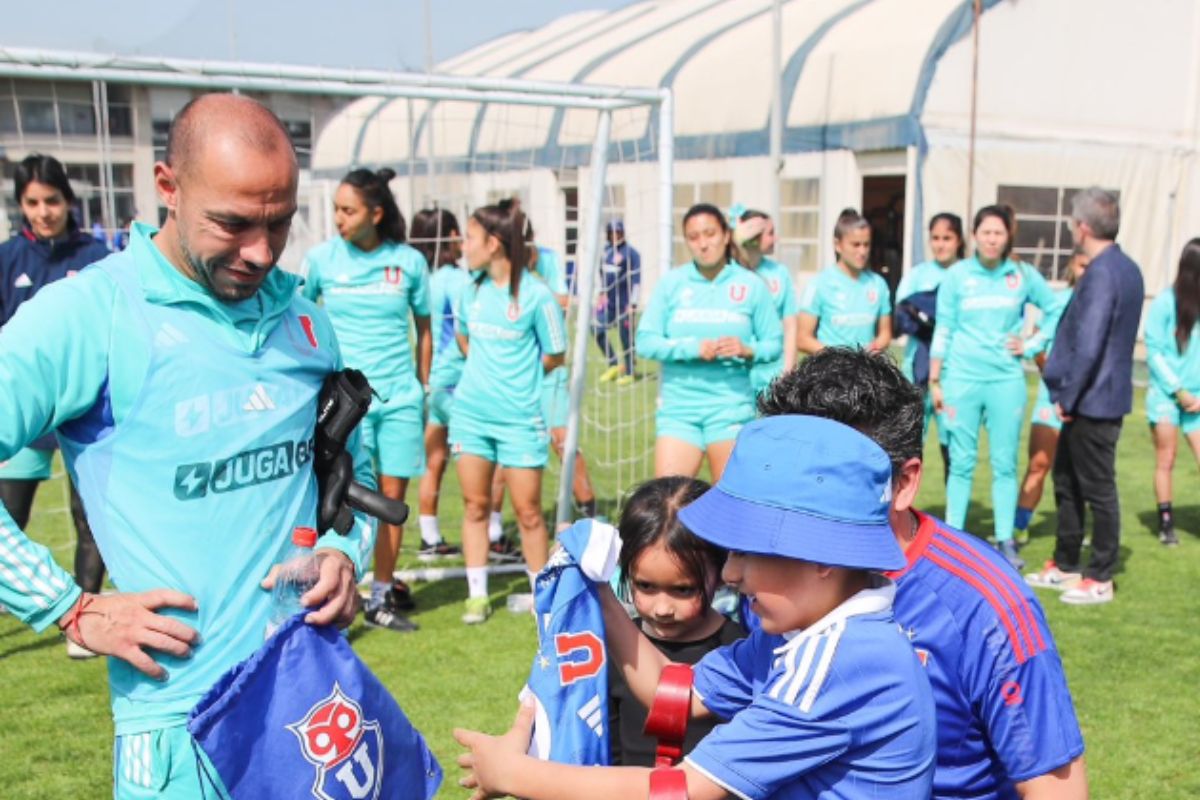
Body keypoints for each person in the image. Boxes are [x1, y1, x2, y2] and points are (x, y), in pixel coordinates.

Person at [0, 93, 372, 798]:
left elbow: (354, 464)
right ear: (167, 187)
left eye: (279, 224)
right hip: (179, 725)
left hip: (313, 704)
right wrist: (69, 608)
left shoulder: (308, 324)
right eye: (232, 223)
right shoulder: (92, 314)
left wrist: (344, 551)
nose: (260, 252)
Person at [456, 415, 936, 799]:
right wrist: (601, 595)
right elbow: (678, 694)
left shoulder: (836, 662)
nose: (729, 574)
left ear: (822, 556)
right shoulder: (799, 636)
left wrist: (515, 774)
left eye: (748, 552)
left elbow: (682, 790)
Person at [758, 347, 1088, 800]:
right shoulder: (765, 571)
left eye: (831, 480)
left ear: (904, 482)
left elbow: (1057, 790)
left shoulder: (986, 603)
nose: (804, 503)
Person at [302, 167, 431, 634]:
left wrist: (422, 386)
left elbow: (424, 329)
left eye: (348, 210)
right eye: (336, 209)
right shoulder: (320, 260)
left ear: (375, 214)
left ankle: (380, 596)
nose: (338, 218)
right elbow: (303, 319)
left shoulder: (409, 263)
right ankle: (336, 591)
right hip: (346, 405)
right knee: (339, 498)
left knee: (390, 500)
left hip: (398, 398)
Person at [0, 153, 111, 659]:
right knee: (11, 517)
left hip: (86, 412)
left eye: (52, 200)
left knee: (90, 518)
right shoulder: (8, 259)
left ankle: (83, 622)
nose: (44, 211)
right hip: (24, 416)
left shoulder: (97, 256)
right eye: (33, 203)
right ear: (21, 205)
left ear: (69, 200)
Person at [451, 201, 567, 624]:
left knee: (529, 512)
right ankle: (477, 596)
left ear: (494, 244)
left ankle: (542, 596)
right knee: (475, 505)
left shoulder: (537, 296)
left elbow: (556, 354)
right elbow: (465, 340)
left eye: (469, 237)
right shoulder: (471, 290)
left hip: (521, 419)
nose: (463, 245)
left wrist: (519, 383)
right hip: (471, 417)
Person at [1029, 188, 1144, 605]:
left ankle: (1098, 576)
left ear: (1081, 227)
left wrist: (1068, 396)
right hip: (1095, 397)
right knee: (1067, 481)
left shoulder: (1102, 272)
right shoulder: (1127, 267)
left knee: (1097, 488)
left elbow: (1090, 342)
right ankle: (1065, 563)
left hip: (1093, 401)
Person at [929, 205, 1057, 570]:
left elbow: (1056, 307)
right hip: (961, 380)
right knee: (961, 463)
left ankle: (1005, 541)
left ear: (1007, 238)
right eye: (985, 232)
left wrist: (1031, 345)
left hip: (1005, 380)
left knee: (1004, 463)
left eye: (998, 233)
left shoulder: (1021, 275)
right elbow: (944, 328)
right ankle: (952, 541)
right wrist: (935, 381)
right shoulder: (957, 276)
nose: (991, 239)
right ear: (975, 235)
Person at [635, 203, 782, 480]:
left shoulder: (750, 285)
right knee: (669, 505)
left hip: (731, 409)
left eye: (710, 234)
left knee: (729, 508)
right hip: (679, 411)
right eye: (694, 237)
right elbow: (645, 342)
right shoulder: (672, 284)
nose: (703, 244)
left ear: (726, 236)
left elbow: (774, 344)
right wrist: (690, 349)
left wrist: (747, 349)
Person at [607, 476, 744, 767]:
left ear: (721, 571)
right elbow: (608, 745)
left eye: (683, 590)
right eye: (645, 586)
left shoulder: (740, 652)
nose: (662, 609)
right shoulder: (618, 645)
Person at [1014, 250, 1089, 545]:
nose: (1087, 271)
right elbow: (1038, 346)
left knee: (1080, 470)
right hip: (1051, 399)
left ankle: (1075, 528)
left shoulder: (1100, 304)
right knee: (1039, 464)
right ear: (1072, 264)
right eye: (1082, 265)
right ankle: (1018, 527)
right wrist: (1058, 383)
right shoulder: (1056, 302)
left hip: (1084, 404)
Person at [411, 207, 468, 561]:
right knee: (482, 463)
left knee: (434, 462)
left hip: (433, 382)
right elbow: (464, 333)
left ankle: (429, 535)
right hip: (459, 383)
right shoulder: (456, 280)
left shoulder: (422, 279)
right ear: (448, 236)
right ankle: (492, 532)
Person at [895, 212, 965, 478]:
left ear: (959, 240)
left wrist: (926, 313)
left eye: (947, 238)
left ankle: (953, 516)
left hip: (955, 375)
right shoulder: (917, 275)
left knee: (955, 450)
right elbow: (901, 317)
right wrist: (930, 321)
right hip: (916, 373)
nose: (940, 244)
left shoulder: (966, 274)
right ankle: (903, 512)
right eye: (935, 238)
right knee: (910, 449)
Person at [1142, 238, 1200, 547]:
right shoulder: (1166, 302)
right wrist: (1178, 390)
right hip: (1167, 395)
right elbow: (1154, 350)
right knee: (1167, 457)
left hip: (1198, 398)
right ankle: (1166, 522)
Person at [796, 208, 892, 354]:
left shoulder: (878, 284)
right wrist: (839, 359)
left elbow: (885, 334)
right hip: (831, 372)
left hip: (866, 371)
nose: (862, 251)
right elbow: (802, 339)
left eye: (866, 244)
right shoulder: (819, 284)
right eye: (856, 244)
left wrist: (872, 350)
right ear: (837, 245)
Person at [731, 206, 798, 393]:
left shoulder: (780, 273)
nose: (775, 238)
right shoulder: (729, 272)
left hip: (773, 370)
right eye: (770, 233)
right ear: (753, 239)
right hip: (738, 372)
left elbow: (790, 324)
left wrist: (789, 369)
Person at [594, 219, 641, 385]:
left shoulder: (632, 253)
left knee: (625, 338)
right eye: (612, 233)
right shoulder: (605, 252)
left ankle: (629, 371)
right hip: (609, 303)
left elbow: (636, 281)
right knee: (596, 329)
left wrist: (633, 303)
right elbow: (602, 274)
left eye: (618, 232)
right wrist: (601, 293)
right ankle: (613, 364)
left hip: (625, 304)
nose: (615, 236)